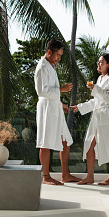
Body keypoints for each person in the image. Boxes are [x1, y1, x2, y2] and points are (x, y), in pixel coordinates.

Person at [70, 53, 109, 185]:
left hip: (108, 114)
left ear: (108, 64)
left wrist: (96, 89)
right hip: (97, 115)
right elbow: (96, 101)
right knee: (89, 144)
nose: (98, 64)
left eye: (101, 62)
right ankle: (90, 176)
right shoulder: (100, 79)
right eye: (98, 62)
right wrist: (80, 107)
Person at [35, 39, 81, 185]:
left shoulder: (50, 66)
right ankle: (46, 176)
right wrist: (61, 89)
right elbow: (41, 91)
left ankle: (65, 174)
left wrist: (61, 104)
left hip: (54, 107)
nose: (59, 58)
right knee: (45, 141)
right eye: (58, 55)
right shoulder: (42, 67)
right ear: (49, 52)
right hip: (46, 109)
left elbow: (50, 90)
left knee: (65, 140)